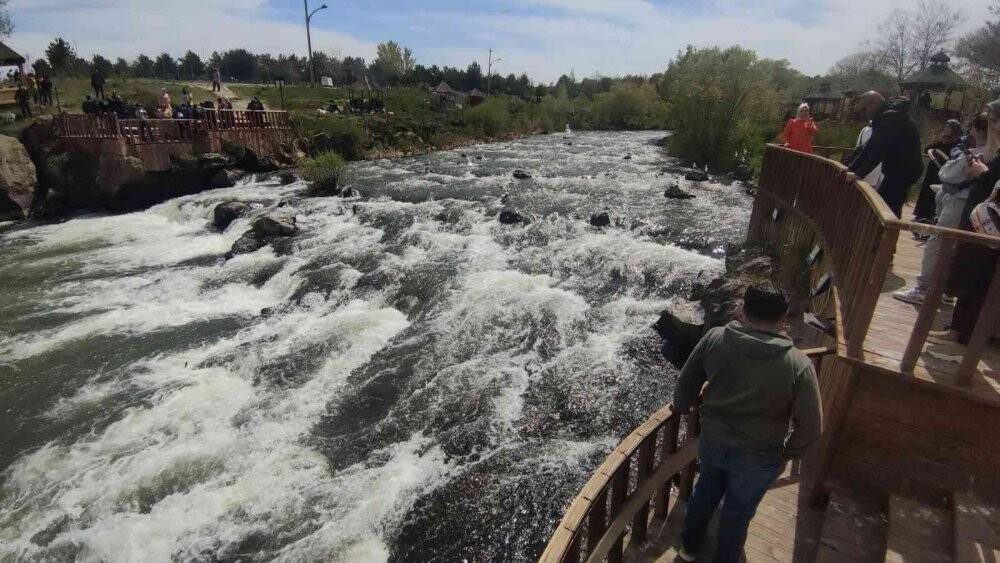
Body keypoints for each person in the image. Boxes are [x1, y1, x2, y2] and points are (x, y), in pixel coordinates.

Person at [674, 282, 822, 563]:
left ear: (743, 309)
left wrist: (683, 408)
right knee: (738, 512)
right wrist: (787, 455)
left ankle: (689, 549)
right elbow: (812, 428)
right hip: (760, 454)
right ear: (783, 318)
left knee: (704, 494)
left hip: (714, 441)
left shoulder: (715, 339)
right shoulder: (798, 365)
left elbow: (686, 384)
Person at [893, 113, 989, 305]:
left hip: (959, 202)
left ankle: (924, 288)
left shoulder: (976, 153)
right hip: (974, 207)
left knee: (936, 243)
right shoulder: (991, 153)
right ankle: (946, 289)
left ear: (978, 130)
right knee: (956, 247)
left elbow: (947, 173)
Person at [935, 99, 1000, 344]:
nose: (992, 126)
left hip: (990, 228)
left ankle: (964, 335)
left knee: (978, 278)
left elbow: (995, 183)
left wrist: (982, 172)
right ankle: (957, 328)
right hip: (980, 223)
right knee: (970, 274)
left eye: (994, 121)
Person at [847, 91, 924, 218]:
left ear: (873, 103)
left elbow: (879, 150)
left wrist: (859, 174)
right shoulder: (885, 116)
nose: (864, 114)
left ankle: (886, 235)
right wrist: (851, 167)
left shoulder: (890, 117)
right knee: (882, 204)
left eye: (864, 109)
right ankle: (881, 234)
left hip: (904, 170)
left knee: (890, 208)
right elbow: (870, 146)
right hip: (896, 169)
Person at [913, 119, 964, 225]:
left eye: (948, 128)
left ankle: (932, 217)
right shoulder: (941, 141)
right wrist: (939, 142)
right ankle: (920, 215)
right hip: (933, 170)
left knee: (935, 195)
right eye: (945, 127)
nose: (946, 129)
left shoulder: (958, 143)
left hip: (943, 173)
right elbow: (927, 149)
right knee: (926, 192)